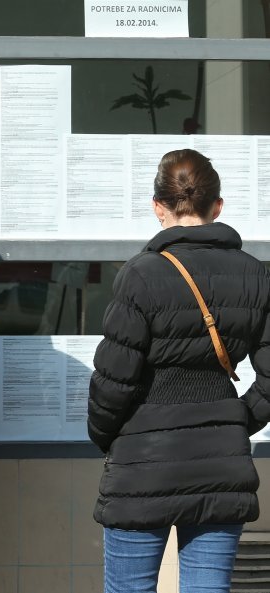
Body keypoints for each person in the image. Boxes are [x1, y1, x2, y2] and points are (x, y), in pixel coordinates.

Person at [88, 148, 270, 593]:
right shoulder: (255, 274)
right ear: (218, 206)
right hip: (220, 467)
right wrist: (238, 420)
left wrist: (106, 433)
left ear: (157, 207)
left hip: (141, 465)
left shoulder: (141, 275)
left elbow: (113, 381)